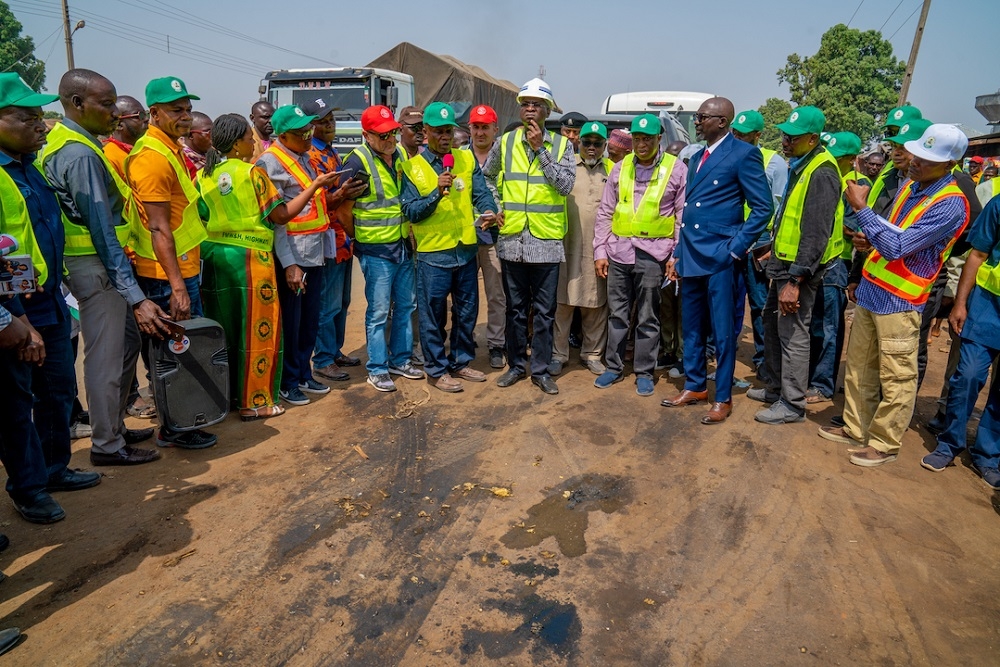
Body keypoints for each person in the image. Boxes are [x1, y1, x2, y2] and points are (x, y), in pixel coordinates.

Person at [818, 124, 971, 467]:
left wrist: (862, 210)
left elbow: (898, 245)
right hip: (874, 291)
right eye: (917, 153)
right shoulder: (910, 186)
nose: (915, 160)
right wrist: (868, 240)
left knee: (897, 374)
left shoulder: (951, 204)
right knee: (859, 367)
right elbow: (890, 232)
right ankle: (856, 426)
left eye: (926, 158)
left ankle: (885, 443)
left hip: (900, 300)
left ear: (949, 165)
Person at [40, 69, 168, 466]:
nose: (115, 112)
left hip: (93, 266)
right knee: (105, 358)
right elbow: (101, 230)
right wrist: (134, 295)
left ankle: (114, 428)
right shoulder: (79, 154)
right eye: (107, 104)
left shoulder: (70, 141)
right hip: (96, 267)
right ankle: (107, 445)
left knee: (117, 352)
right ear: (77, 104)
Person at [200, 113, 336, 418]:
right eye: (249, 138)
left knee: (228, 333)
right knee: (257, 334)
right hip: (252, 263)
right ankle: (255, 402)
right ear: (237, 143)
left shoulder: (204, 174)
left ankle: (232, 397)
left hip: (217, 261)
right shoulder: (254, 174)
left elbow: (200, 216)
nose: (254, 143)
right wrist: (315, 186)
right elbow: (280, 217)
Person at [661, 97, 772, 424]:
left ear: (722, 121)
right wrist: (678, 254)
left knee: (722, 333)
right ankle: (695, 385)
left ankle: (722, 396)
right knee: (692, 325)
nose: (696, 122)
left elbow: (763, 208)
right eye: (697, 117)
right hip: (693, 253)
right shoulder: (696, 158)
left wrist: (735, 248)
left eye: (702, 117)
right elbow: (688, 213)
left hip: (721, 257)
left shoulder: (744, 154)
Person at [125, 76, 216, 449]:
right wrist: (177, 287)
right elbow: (159, 228)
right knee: (170, 354)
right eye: (177, 110)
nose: (185, 117)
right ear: (155, 113)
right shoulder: (151, 158)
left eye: (188, 109)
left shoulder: (170, 150)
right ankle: (175, 428)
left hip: (181, 268)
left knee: (183, 350)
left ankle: (184, 419)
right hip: (165, 277)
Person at [0, 73, 73, 523]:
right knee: (15, 402)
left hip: (49, 298)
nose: (40, 125)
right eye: (27, 118)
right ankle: (28, 488)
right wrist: (12, 316)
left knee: (59, 388)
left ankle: (54, 469)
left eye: (39, 116)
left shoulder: (31, 166)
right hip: (14, 306)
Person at [748, 107, 841, 424]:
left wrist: (796, 281)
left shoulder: (822, 172)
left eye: (793, 137)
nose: (785, 141)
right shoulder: (802, 165)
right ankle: (775, 389)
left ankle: (792, 404)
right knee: (773, 327)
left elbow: (816, 233)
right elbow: (791, 219)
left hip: (799, 272)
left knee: (794, 335)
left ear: (813, 138)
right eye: (785, 135)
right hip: (783, 264)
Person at [483, 78, 576, 395]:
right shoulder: (505, 143)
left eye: (536, 104)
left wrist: (540, 150)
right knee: (516, 310)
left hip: (546, 245)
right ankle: (515, 367)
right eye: (525, 104)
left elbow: (564, 186)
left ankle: (540, 370)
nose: (530, 109)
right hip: (511, 242)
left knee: (545, 312)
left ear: (547, 111)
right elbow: (488, 178)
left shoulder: (563, 146)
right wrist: (495, 207)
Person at [400, 102, 499, 392]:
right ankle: (436, 369)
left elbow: (482, 195)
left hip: (465, 249)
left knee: (467, 312)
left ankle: (461, 361)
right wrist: (436, 193)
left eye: (449, 131)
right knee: (433, 316)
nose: (445, 137)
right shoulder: (412, 168)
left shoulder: (465, 160)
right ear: (425, 132)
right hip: (433, 254)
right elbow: (411, 211)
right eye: (439, 132)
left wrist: (489, 211)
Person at [593, 114, 686, 395]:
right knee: (618, 314)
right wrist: (600, 250)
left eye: (647, 138)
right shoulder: (620, 168)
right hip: (619, 253)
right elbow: (606, 211)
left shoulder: (677, 169)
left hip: (654, 255)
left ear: (660, 139)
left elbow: (682, 216)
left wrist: (676, 255)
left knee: (648, 317)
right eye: (637, 138)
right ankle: (613, 367)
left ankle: (644, 372)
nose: (641, 144)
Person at [256, 104, 341, 406]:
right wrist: (289, 264)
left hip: (314, 251)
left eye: (309, 129)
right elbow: (276, 220)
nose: (309, 135)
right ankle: (288, 381)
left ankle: (303, 373)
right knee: (291, 323)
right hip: (292, 255)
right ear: (283, 135)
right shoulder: (270, 163)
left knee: (309, 321)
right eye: (301, 132)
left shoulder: (304, 157)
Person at [920, 194, 1000, 487]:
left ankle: (988, 456)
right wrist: (961, 303)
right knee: (967, 376)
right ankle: (949, 444)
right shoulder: (999, 204)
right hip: (987, 308)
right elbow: (977, 255)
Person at [342, 105, 423, 392]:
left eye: (393, 133)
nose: (390, 139)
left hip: (401, 245)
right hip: (376, 251)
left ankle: (400, 360)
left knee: (405, 305)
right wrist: (360, 240)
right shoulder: (357, 163)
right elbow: (343, 210)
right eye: (383, 135)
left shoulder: (399, 155)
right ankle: (377, 368)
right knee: (378, 312)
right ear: (366, 135)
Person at [300, 99, 365, 383]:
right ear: (310, 125)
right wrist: (341, 194)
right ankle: (324, 359)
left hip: (341, 237)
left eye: (331, 120)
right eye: (323, 121)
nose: (330, 125)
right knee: (327, 303)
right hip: (326, 239)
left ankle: (334, 350)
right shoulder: (311, 155)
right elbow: (314, 201)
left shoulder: (330, 152)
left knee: (343, 300)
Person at [804, 131, 867, 404]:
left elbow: (856, 229)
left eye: (838, 157)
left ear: (852, 159)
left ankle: (822, 384)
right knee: (814, 322)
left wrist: (822, 220)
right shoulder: (829, 175)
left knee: (829, 326)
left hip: (837, 262)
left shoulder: (855, 185)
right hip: (819, 260)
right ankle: (810, 377)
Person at [729, 109, 789, 382]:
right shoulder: (725, 155)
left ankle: (765, 361)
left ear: (758, 136)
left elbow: (779, 206)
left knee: (760, 303)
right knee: (723, 299)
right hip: (729, 235)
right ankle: (718, 350)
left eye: (745, 135)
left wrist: (771, 244)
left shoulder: (774, 163)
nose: (739, 138)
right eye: (735, 133)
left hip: (758, 241)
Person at [552, 121, 613, 377]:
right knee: (562, 303)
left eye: (597, 143)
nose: (591, 147)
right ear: (579, 142)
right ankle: (558, 354)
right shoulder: (565, 167)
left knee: (595, 303)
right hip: (566, 245)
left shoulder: (613, 170)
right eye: (586, 142)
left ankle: (592, 354)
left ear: (604, 146)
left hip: (598, 249)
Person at [467, 104, 506, 368]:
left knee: (496, 294)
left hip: (497, 235)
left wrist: (502, 213)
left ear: (495, 129)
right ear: (469, 129)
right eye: (476, 127)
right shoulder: (459, 157)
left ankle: (496, 345)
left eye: (485, 127)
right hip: (466, 237)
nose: (480, 133)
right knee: (465, 294)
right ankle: (464, 340)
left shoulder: (507, 158)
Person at [103, 95, 147, 178]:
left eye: (146, 114)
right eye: (140, 116)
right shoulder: (110, 158)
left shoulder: (143, 149)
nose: (146, 119)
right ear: (119, 125)